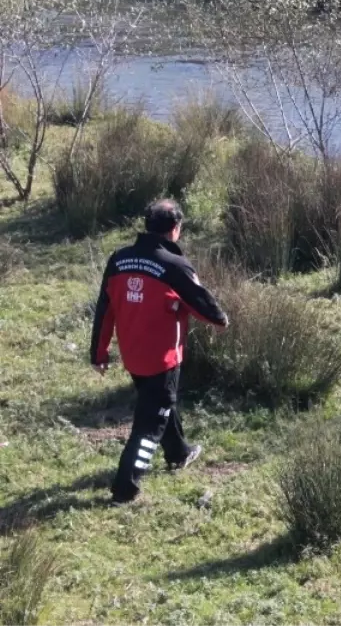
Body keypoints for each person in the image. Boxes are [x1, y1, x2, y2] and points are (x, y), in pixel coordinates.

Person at [90, 200, 229, 504]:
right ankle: (125, 489)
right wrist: (221, 320)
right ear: (175, 229)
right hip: (163, 359)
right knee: (149, 426)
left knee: (161, 405)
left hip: (133, 356)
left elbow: (104, 310)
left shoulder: (118, 259)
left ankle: (179, 453)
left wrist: (98, 354)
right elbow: (203, 302)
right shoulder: (174, 265)